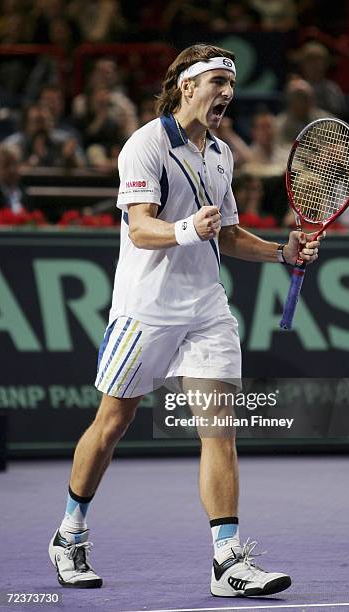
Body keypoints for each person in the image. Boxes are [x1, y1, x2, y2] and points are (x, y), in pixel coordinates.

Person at [48, 44, 322, 597]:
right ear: (186, 86)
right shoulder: (145, 145)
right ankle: (70, 531)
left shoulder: (221, 154)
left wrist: (280, 253)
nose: (228, 92)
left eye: (232, 82)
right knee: (112, 424)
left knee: (219, 428)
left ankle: (227, 561)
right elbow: (140, 229)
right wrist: (186, 230)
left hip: (205, 308)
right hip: (144, 311)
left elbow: (227, 234)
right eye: (218, 80)